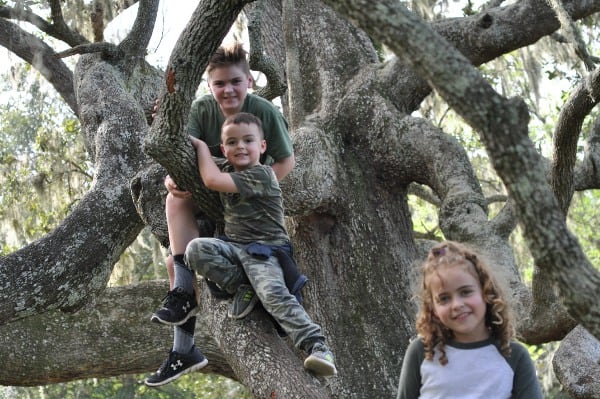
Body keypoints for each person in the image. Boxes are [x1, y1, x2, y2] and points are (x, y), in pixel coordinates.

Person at [144, 43, 295, 386]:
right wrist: (174, 179)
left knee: (180, 262)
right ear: (210, 86)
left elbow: (287, 161)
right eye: (220, 84)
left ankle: (185, 344)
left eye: (235, 82)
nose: (228, 90)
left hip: (249, 201)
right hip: (213, 189)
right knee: (175, 206)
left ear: (250, 81)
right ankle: (183, 309)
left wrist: (256, 188)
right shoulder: (201, 110)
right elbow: (181, 155)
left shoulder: (264, 112)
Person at [182, 113, 337, 378]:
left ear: (262, 147)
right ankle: (242, 285)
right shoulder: (226, 167)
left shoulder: (262, 175)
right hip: (234, 248)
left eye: (248, 140)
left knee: (274, 294)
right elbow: (195, 172)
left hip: (264, 252)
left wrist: (199, 147)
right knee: (195, 249)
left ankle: (317, 345)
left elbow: (211, 180)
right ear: (223, 149)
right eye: (231, 142)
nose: (240, 146)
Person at [396, 241, 543, 399]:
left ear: (486, 292)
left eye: (465, 292)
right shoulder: (421, 352)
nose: (457, 305)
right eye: (444, 298)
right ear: (433, 308)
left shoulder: (514, 355)